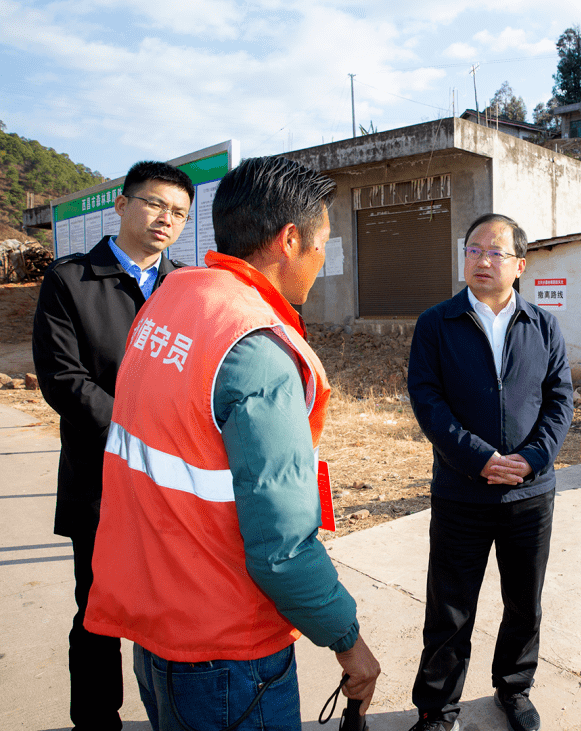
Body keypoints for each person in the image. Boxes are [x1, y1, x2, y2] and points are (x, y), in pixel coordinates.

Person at [83, 156, 380, 730]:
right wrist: (348, 640)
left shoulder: (171, 301)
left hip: (158, 625)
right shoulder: (256, 348)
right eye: (322, 242)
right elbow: (281, 546)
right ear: (289, 241)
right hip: (227, 648)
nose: (323, 259)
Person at [32, 160, 193, 730]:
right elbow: (64, 380)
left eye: (178, 212)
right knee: (98, 612)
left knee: (171, 608)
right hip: (101, 477)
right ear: (122, 205)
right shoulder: (70, 278)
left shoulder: (185, 287)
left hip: (174, 482)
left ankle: (172, 714)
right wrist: (137, 437)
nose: (165, 219)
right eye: (154, 204)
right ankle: (97, 720)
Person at [406, 213, 573, 731]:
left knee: (524, 603)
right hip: (462, 492)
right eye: (473, 249)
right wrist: (478, 458)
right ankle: (438, 707)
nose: (482, 259)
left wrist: (533, 458)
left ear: (519, 265)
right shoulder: (437, 323)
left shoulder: (543, 326)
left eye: (495, 251)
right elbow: (427, 401)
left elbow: (560, 399)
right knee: (450, 607)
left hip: (529, 494)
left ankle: (514, 688)